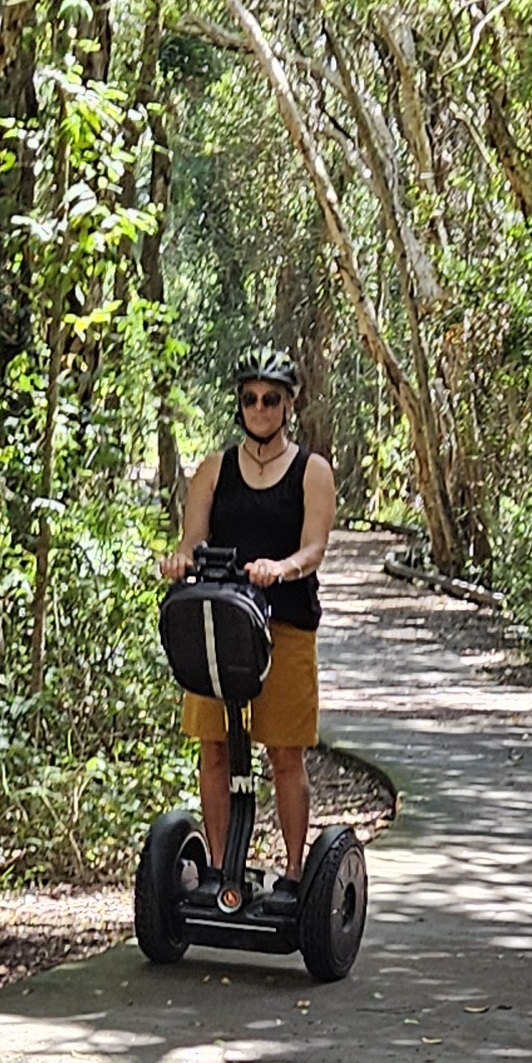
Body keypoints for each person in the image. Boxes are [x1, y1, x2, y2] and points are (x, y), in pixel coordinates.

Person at [159, 344, 336, 905]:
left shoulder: (312, 471)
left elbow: (314, 547)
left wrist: (282, 568)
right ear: (241, 406)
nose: (260, 408)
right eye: (251, 399)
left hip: (284, 625)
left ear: (288, 405)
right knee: (214, 747)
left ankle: (291, 872)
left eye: (271, 399)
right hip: (221, 625)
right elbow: (192, 539)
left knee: (284, 753)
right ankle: (216, 868)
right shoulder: (216, 468)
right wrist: (179, 560)